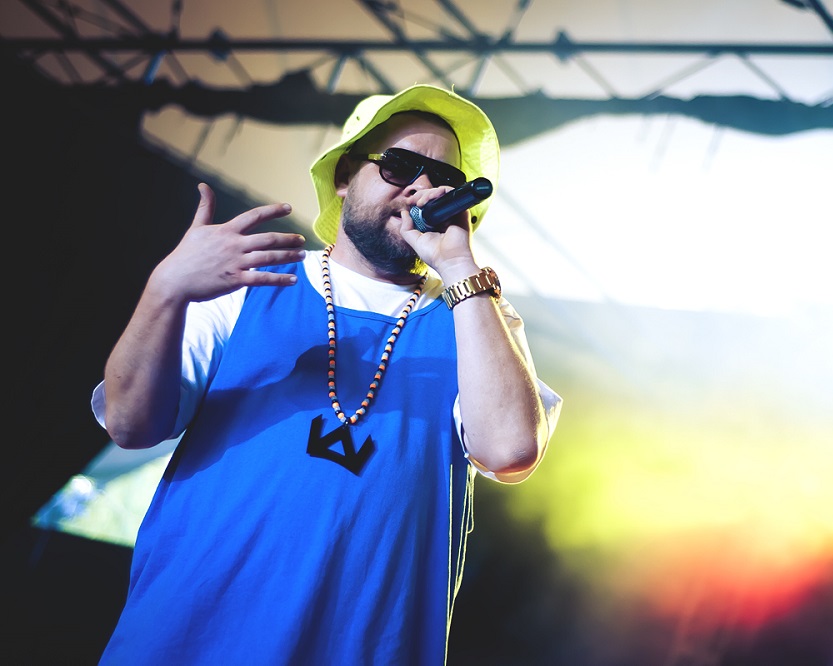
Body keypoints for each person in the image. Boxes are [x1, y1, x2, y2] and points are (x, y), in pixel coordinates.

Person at [91, 84, 562, 664]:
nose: (421, 187)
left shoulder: (476, 315)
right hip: (187, 645)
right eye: (399, 166)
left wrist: (462, 270)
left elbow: (510, 450)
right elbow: (129, 423)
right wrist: (164, 290)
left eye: (443, 177)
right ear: (344, 175)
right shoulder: (250, 281)